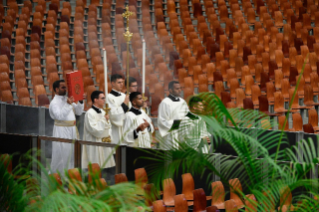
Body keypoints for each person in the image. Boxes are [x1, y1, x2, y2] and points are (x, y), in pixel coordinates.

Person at [49, 80, 84, 177]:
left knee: (72, 154)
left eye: (65, 87)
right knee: (62, 155)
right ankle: (58, 177)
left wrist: (80, 101)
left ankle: (71, 176)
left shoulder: (67, 99)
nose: (65, 89)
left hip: (72, 130)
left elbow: (78, 112)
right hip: (61, 131)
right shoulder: (54, 103)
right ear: (56, 89)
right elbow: (59, 116)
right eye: (63, 87)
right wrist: (68, 104)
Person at [82, 91, 116, 182]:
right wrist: (104, 120)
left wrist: (108, 136)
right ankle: (94, 185)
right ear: (95, 100)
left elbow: (109, 126)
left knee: (106, 167)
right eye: (102, 98)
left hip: (104, 142)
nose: (104, 100)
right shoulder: (89, 113)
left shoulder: (103, 111)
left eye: (104, 98)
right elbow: (94, 129)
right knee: (96, 166)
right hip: (95, 143)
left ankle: (105, 183)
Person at [157, 81, 189, 149]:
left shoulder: (182, 101)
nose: (180, 90)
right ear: (170, 90)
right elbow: (162, 121)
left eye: (180, 88)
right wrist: (177, 123)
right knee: (169, 157)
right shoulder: (165, 103)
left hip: (182, 133)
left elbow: (187, 115)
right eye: (177, 89)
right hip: (170, 135)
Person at [107, 74, 129, 144]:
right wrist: (124, 103)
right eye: (119, 82)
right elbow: (114, 115)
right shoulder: (109, 97)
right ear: (113, 83)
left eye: (122, 82)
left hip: (125, 128)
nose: (121, 84)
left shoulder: (124, 96)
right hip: (115, 129)